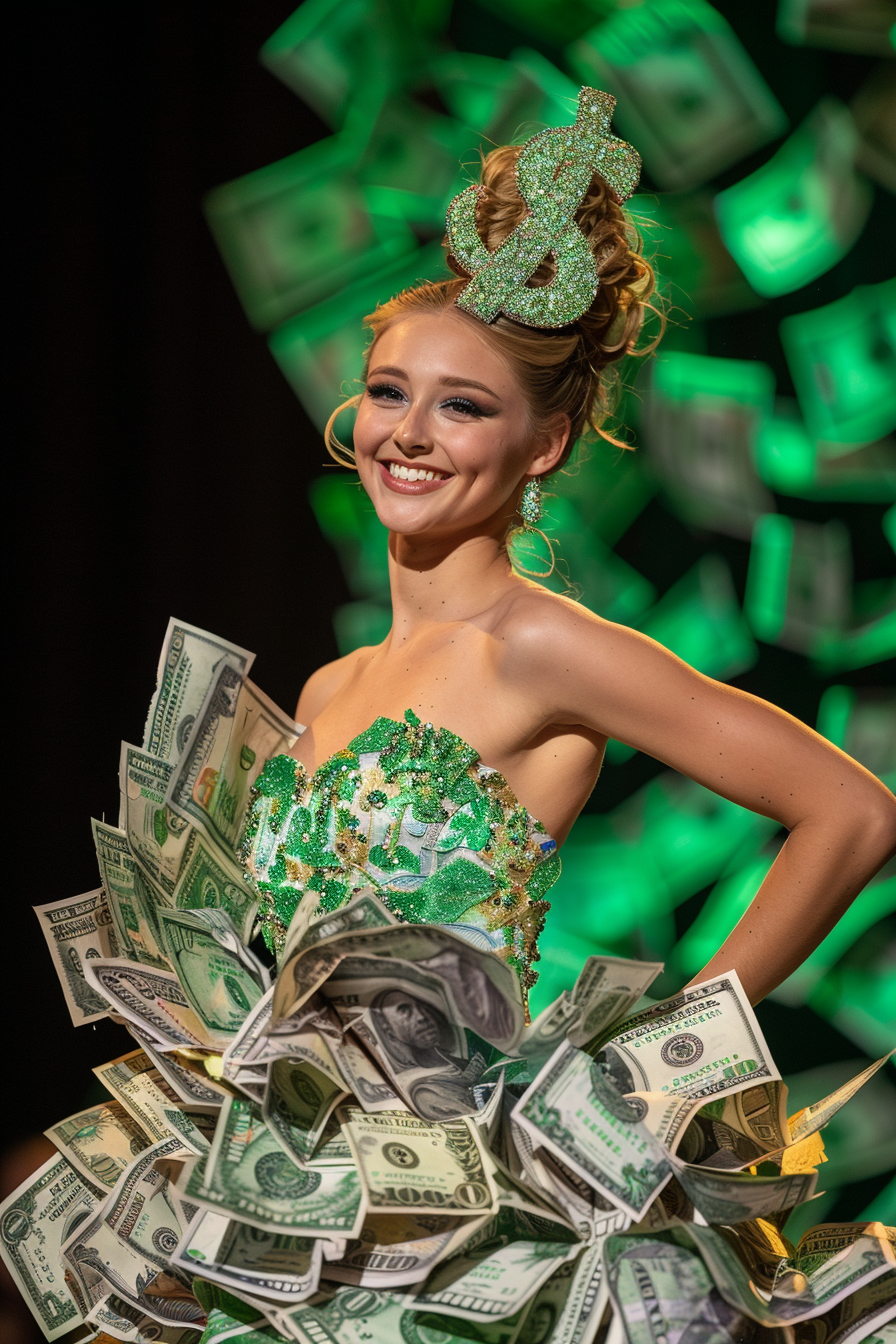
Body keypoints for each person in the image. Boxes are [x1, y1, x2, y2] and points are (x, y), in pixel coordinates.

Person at [244, 92, 895, 1013]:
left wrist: (669, 1054)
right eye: (390, 392)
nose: (410, 434)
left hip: (450, 1140)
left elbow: (852, 811)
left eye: (463, 406)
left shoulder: (541, 647)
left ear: (543, 445)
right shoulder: (327, 688)